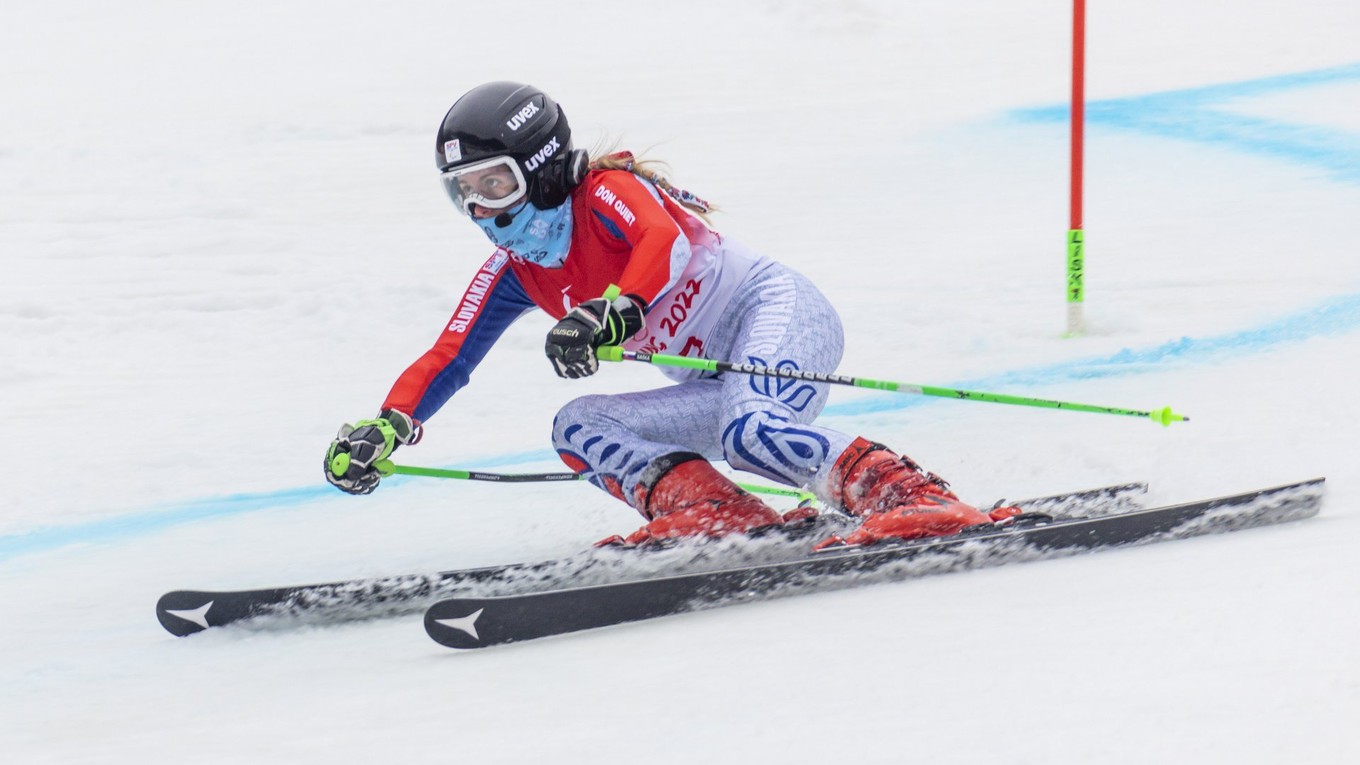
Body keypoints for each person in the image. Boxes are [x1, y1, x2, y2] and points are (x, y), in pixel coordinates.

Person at [324, 81, 1014, 549]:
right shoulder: (514, 272)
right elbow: (448, 354)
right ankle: (718, 514)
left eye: (495, 184)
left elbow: (663, 240)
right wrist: (385, 425)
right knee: (578, 423)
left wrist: (615, 311)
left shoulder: (605, 193)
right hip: (713, 382)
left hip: (776, 317)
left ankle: (907, 496)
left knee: (752, 431)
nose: (481, 210)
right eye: (463, 194)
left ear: (538, 168)